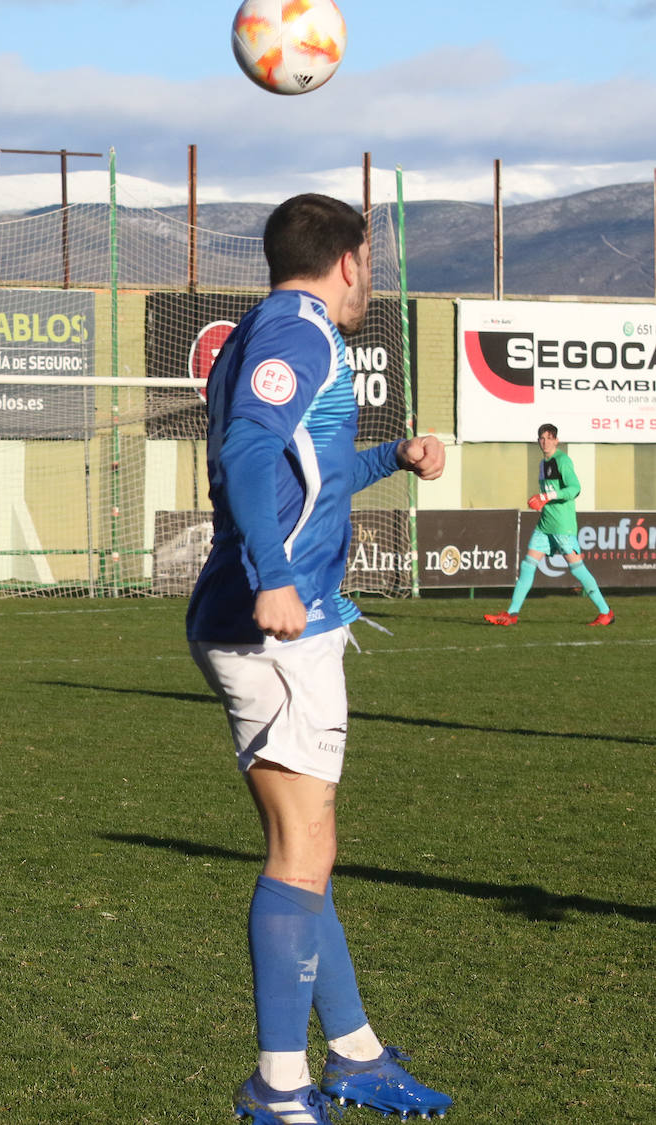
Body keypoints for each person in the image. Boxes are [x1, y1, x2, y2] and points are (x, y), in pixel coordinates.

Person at [186, 194, 453, 1124]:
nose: (369, 280)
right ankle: (279, 1084)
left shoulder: (283, 331)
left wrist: (393, 455)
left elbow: (311, 461)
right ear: (348, 259)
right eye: (370, 262)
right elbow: (253, 448)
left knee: (311, 847)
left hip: (286, 611)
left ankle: (355, 1053)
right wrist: (272, 575)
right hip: (275, 620)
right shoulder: (299, 333)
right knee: (300, 847)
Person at [484, 423, 613, 627]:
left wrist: (546, 496)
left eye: (549, 438)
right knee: (528, 565)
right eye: (541, 438)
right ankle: (512, 613)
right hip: (545, 525)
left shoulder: (563, 460)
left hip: (563, 526)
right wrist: (542, 501)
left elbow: (575, 489)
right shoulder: (543, 463)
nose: (544, 442)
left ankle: (605, 612)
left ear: (556, 440)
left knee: (577, 568)